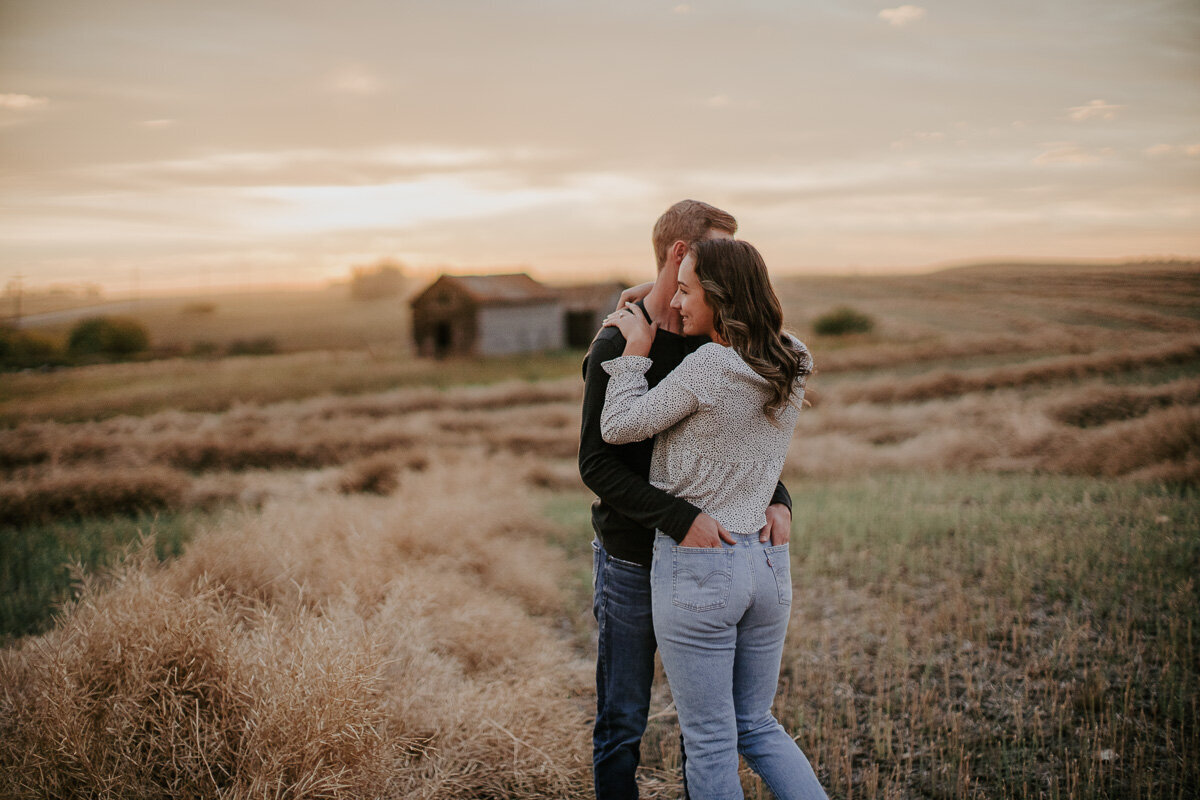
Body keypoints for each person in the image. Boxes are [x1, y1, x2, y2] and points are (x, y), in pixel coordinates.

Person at [578, 200, 794, 800]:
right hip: (632, 557)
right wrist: (681, 518)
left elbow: (739, 435)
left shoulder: (720, 342)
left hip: (708, 559)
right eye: (716, 249)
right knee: (623, 719)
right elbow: (597, 462)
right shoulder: (617, 345)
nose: (727, 263)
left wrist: (776, 496)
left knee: (709, 725)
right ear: (682, 255)